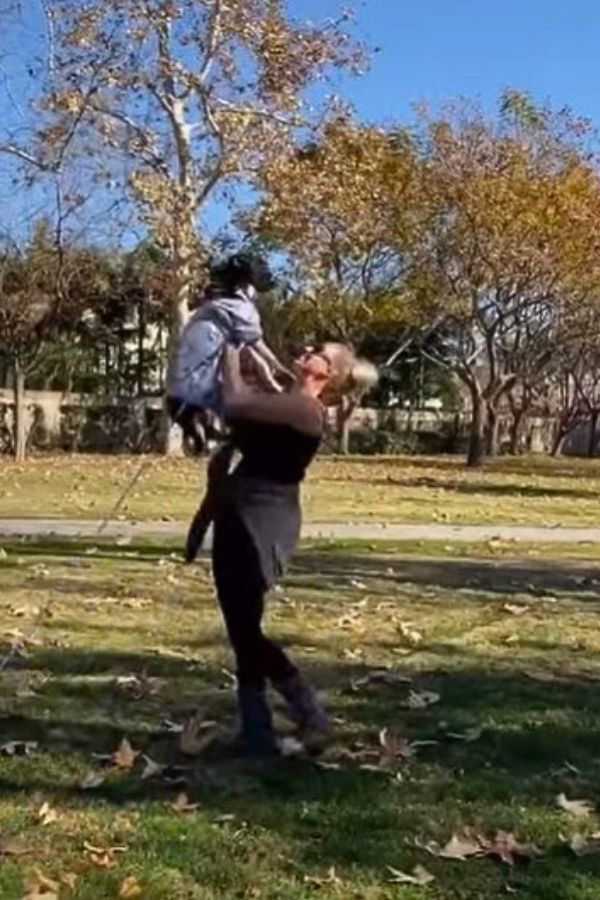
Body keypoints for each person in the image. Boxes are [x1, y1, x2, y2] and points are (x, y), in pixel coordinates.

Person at [211, 342, 377, 756]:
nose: (307, 348)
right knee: (241, 627)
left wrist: (231, 347)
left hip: (260, 527)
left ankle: (306, 713)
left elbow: (234, 403)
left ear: (327, 374)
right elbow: (246, 401)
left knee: (245, 630)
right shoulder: (287, 401)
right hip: (240, 516)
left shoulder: (305, 411)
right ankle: (257, 730)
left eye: (318, 350)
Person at [166, 253, 291, 454]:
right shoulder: (242, 310)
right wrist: (279, 369)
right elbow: (256, 345)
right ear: (247, 286)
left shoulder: (213, 306)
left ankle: (207, 434)